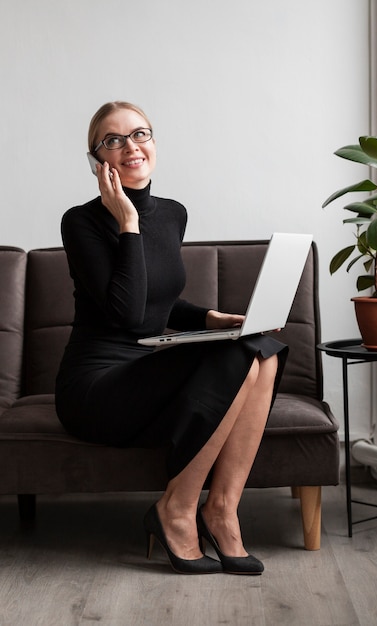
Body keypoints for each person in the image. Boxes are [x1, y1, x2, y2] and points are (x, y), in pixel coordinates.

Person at [55, 101, 288, 575]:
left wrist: (210, 317)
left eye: (139, 134)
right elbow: (125, 312)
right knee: (237, 357)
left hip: (146, 369)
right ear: (97, 161)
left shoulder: (174, 214)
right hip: (97, 387)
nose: (130, 147)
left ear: (154, 143)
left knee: (263, 349)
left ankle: (221, 510)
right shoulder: (80, 222)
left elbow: (158, 301)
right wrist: (127, 222)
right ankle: (175, 510)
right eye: (112, 140)